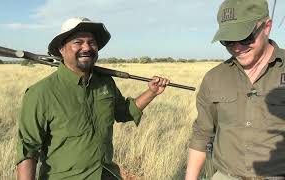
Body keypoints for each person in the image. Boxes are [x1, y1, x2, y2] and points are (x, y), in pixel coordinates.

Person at [16, 17, 170, 180]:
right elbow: (28, 149)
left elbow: (124, 112)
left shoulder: (105, 83)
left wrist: (152, 92)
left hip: (107, 174)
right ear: (62, 48)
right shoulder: (40, 93)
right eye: (78, 42)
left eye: (91, 42)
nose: (86, 47)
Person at [185, 0, 285, 179]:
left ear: (267, 26)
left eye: (245, 37)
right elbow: (201, 134)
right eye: (228, 41)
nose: (237, 47)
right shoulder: (214, 78)